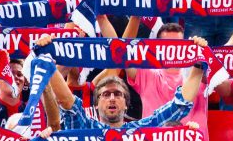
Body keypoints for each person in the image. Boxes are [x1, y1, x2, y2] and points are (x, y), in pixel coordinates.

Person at [37, 33, 207, 129]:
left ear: (126, 104)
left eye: (117, 94)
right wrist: (46, 59)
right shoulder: (87, 127)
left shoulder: (140, 130)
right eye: (105, 95)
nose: (111, 98)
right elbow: (68, 103)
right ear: (96, 104)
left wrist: (199, 63)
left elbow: (179, 105)